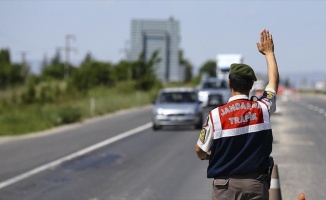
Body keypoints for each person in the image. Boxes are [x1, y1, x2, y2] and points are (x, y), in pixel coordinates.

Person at [195, 29, 279, 200]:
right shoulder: (262, 108)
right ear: (251, 86)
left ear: (229, 84)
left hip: (225, 188)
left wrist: (209, 156)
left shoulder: (215, 115)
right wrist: (269, 53)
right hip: (256, 185)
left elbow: (200, 150)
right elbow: (273, 83)